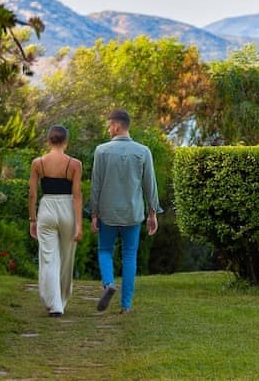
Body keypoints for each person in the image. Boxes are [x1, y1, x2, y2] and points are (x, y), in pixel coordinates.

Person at [89, 109, 162, 314]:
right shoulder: (143, 151)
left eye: (109, 125)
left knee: (105, 251)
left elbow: (96, 185)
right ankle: (126, 305)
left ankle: (108, 283)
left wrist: (94, 213)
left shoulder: (101, 151)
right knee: (129, 256)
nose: (108, 129)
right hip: (132, 213)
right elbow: (150, 185)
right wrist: (152, 213)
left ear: (117, 126)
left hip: (108, 213)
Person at [28, 125, 83, 317]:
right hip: (68, 209)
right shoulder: (75, 164)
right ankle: (62, 299)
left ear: (48, 140)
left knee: (49, 258)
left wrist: (32, 219)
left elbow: (32, 194)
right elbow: (77, 196)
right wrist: (79, 225)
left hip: (47, 209)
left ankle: (54, 304)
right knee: (66, 259)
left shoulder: (38, 163)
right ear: (66, 141)